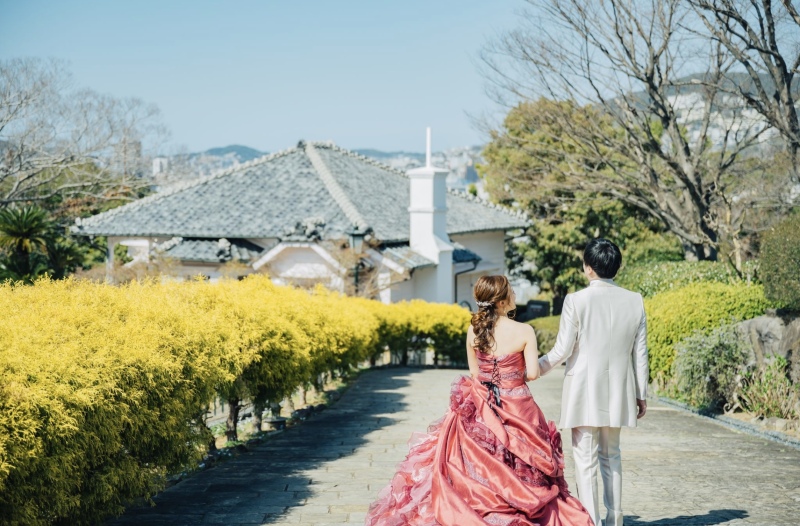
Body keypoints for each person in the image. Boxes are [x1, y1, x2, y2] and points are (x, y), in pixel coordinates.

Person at [365, 275, 593, 526]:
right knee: (520, 459)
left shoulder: (473, 330)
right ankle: (519, 502)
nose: (515, 296)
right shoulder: (524, 330)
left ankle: (481, 505)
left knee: (478, 463)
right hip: (519, 406)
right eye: (512, 292)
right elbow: (533, 373)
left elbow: (475, 374)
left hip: (481, 404)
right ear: (503, 300)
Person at [537, 238, 648, 526]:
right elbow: (641, 353)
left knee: (585, 459)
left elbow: (561, 351)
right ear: (617, 267)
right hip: (620, 390)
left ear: (587, 268)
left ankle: (591, 522)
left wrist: (530, 369)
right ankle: (615, 519)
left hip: (584, 389)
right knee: (612, 455)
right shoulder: (634, 300)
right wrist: (641, 393)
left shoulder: (576, 300)